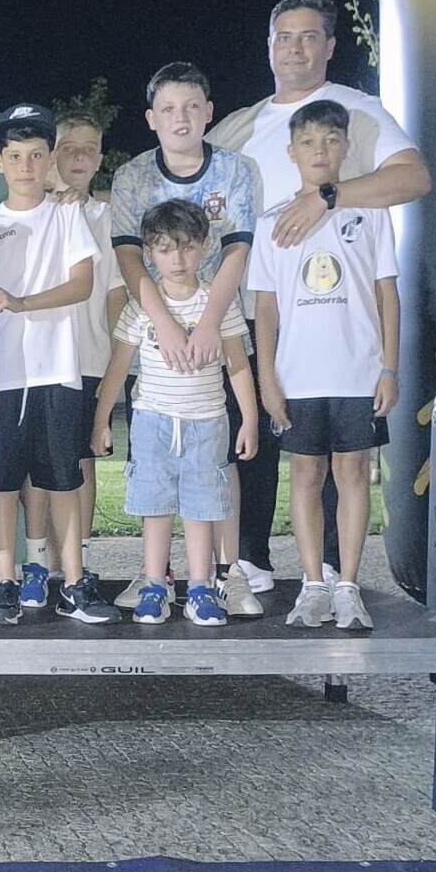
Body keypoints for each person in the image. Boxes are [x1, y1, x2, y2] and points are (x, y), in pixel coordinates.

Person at [208, 0, 430, 599]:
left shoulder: (357, 110)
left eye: (309, 37)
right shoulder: (241, 124)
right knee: (251, 432)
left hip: (338, 315)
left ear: (330, 46)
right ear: (269, 47)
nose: (295, 49)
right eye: (284, 37)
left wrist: (328, 197)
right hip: (255, 305)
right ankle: (248, 559)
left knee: (336, 447)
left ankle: (332, 567)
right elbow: (187, 189)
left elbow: (414, 178)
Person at [247, 100, 399, 631]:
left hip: (358, 373)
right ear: (292, 152)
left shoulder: (371, 213)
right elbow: (266, 309)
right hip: (298, 376)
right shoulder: (272, 223)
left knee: (352, 473)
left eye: (331, 140)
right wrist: (268, 379)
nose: (320, 151)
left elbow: (387, 294)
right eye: (309, 142)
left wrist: (389, 368)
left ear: (346, 148)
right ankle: (312, 586)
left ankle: (348, 585)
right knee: (306, 475)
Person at [92, 199, 257, 625]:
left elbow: (238, 365)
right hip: (153, 422)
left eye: (187, 247)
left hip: (207, 422)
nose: (177, 259)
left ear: (205, 246)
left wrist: (250, 420)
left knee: (202, 509)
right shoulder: (141, 308)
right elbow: (118, 367)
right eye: (165, 249)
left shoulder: (218, 304)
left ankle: (201, 588)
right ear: (149, 253)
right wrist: (101, 419)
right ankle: (154, 585)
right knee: (156, 507)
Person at [0, 104, 111, 627]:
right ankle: (5, 584)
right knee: (3, 484)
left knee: (62, 480)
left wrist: (22, 303)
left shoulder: (67, 213)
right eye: (15, 156)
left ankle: (73, 583)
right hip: (1, 374)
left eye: (37, 155)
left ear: (50, 158)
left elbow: (82, 285)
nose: (26, 166)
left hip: (58, 370)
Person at [21, 108, 125, 603]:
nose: (79, 158)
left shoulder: (106, 216)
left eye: (89, 149)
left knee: (81, 460)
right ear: (51, 155)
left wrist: (116, 362)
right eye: (68, 148)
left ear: (100, 158)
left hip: (90, 360)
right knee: (38, 466)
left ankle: (76, 564)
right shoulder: (31, 212)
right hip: (37, 360)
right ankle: (38, 560)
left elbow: (116, 294)